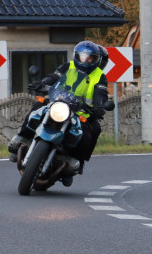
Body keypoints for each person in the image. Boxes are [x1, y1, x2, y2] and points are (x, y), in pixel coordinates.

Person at [8, 40, 109, 178]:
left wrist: (100, 106)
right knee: (38, 107)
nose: (86, 60)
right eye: (83, 56)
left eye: (90, 57)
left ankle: (78, 161)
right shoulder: (68, 66)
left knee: (93, 129)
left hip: (79, 111)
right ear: (77, 55)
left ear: (96, 60)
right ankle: (22, 138)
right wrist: (42, 83)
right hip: (58, 102)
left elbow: (100, 93)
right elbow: (54, 77)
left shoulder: (99, 76)